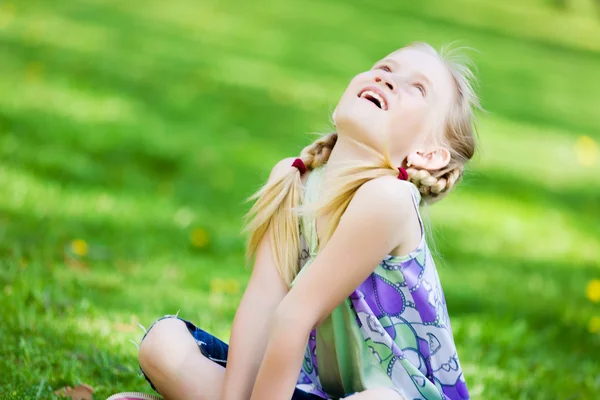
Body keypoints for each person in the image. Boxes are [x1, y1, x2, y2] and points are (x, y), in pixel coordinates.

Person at [112, 41, 479, 400]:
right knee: (164, 343)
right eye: (384, 68)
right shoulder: (293, 179)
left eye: (416, 88)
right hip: (308, 389)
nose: (387, 80)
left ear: (428, 155)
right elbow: (262, 306)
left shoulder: (390, 198)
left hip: (398, 396)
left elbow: (293, 317)